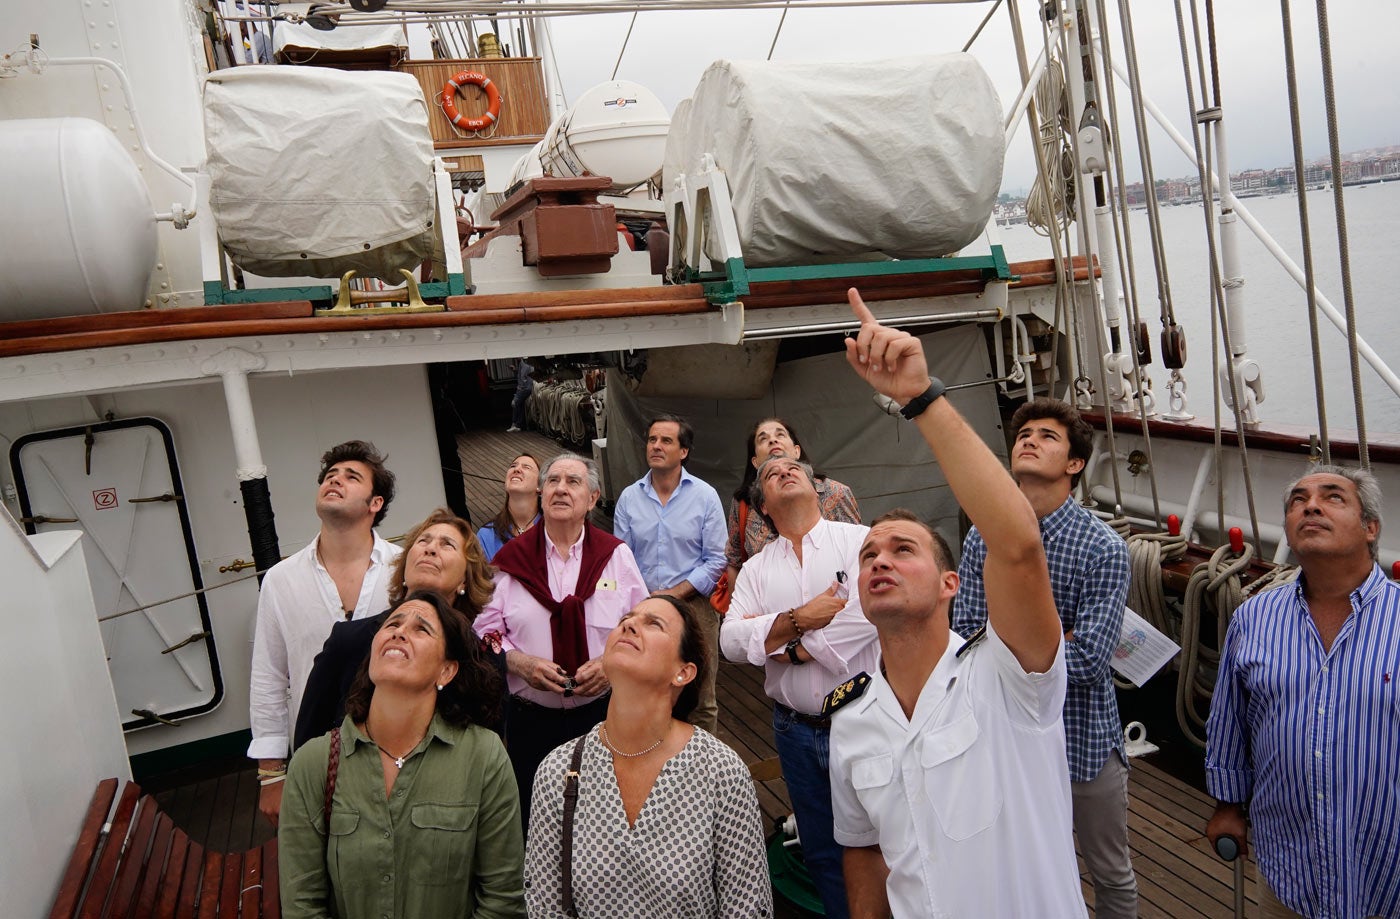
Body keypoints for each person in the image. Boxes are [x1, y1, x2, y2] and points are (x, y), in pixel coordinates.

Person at [828, 288, 1085, 918]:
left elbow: (1017, 544)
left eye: (903, 550)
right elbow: (863, 848)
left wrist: (920, 398)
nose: (880, 560)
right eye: (868, 555)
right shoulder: (850, 719)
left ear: (952, 584)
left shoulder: (1010, 677)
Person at [951, 397, 1137, 918]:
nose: (1029, 440)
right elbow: (965, 637)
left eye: (1047, 436)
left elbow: (1091, 660)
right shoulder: (982, 536)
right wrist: (1055, 637)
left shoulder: (1102, 548)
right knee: (1019, 866)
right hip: (1005, 739)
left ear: (1075, 464)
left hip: (1082, 741)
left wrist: (1005, 643)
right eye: (1023, 434)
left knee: (1111, 874)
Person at [1206, 466, 1400, 919]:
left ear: (1370, 528)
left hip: (1385, 870)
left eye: (1333, 497)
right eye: (1298, 500)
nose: (1310, 506)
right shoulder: (1253, 617)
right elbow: (1231, 720)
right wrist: (1228, 805)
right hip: (1290, 871)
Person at [280, 592, 524, 919]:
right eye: (392, 624)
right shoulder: (313, 764)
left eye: (421, 629)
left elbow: (502, 900)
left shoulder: (484, 757)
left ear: (446, 671)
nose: (399, 632)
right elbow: (302, 906)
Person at [525, 595, 771, 918]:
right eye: (625, 619)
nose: (629, 625)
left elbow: (747, 908)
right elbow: (544, 906)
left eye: (654, 624)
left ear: (683, 672)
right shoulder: (559, 770)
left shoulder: (721, 773)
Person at [719, 454, 879, 919]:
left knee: (882, 841)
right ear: (763, 506)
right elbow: (730, 640)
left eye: (794, 469)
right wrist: (799, 618)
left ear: (816, 489)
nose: (784, 471)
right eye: (771, 474)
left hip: (863, 719)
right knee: (821, 849)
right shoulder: (755, 570)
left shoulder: (859, 541)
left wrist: (791, 648)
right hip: (795, 731)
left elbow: (870, 612)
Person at [473, 453, 648, 827]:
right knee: (538, 819)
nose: (561, 489)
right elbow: (484, 631)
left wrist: (611, 664)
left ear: (593, 498)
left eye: (573, 481)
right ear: (541, 494)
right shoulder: (511, 561)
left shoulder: (616, 557)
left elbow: (643, 626)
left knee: (610, 818)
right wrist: (518, 662)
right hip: (531, 722)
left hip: (606, 717)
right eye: (553, 481)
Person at [248, 440, 400, 827]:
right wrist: (271, 774)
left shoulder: (404, 569)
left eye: (351, 477)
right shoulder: (280, 580)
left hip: (403, 752)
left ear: (375, 503)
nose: (335, 480)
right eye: (330, 475)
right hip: (317, 757)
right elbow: (268, 677)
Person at [294, 508, 496, 749]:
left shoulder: (484, 661)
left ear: (465, 579)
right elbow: (309, 744)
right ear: (404, 570)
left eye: (447, 545)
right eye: (423, 541)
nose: (430, 549)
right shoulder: (347, 641)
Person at [613, 414, 727, 733]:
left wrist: (674, 594)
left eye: (666, 440)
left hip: (695, 605)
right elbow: (622, 559)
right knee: (648, 687)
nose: (656, 446)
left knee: (702, 696)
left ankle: (703, 762)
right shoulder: (629, 498)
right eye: (652, 439)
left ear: (684, 451)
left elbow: (717, 559)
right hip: (644, 606)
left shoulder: (705, 496)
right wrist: (645, 601)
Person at [723, 417, 860, 587]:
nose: (773, 440)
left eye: (780, 435)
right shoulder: (743, 503)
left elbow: (856, 554)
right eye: (763, 439)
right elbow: (735, 562)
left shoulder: (836, 492)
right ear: (755, 462)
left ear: (797, 451)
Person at [478, 453, 543, 561]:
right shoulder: (486, 535)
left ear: (540, 486)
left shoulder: (552, 530)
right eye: (513, 466)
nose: (516, 469)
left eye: (526, 467)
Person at [507, 359, 533, 433]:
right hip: (525, 388)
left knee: (514, 403)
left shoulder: (525, 366)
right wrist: (515, 370)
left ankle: (514, 424)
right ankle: (518, 425)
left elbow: (522, 381)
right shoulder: (522, 366)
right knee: (520, 405)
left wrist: (517, 394)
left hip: (525, 389)